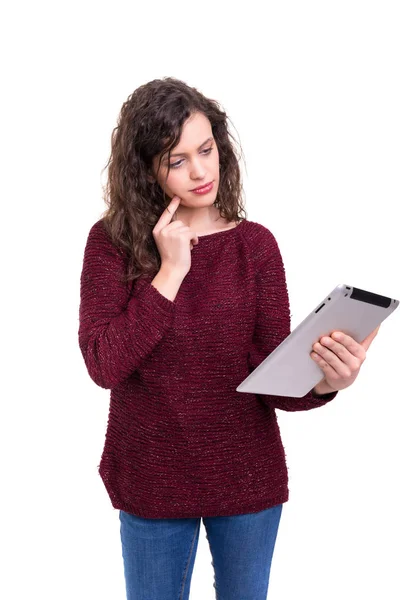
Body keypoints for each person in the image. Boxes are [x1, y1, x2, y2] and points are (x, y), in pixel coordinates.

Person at [78, 77, 380, 600]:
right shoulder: (112, 243)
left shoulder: (256, 246)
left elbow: (267, 379)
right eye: (177, 160)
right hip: (150, 476)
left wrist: (328, 383)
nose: (200, 171)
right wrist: (169, 273)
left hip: (247, 477)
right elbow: (105, 363)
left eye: (206, 150)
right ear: (146, 169)